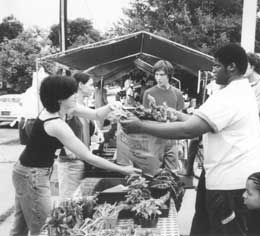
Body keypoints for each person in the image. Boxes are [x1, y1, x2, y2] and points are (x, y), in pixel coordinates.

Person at [121, 44, 260, 235]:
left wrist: (140, 126)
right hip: (223, 177)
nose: (212, 70)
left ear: (231, 67)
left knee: (224, 230)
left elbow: (188, 130)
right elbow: (199, 121)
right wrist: (175, 114)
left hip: (229, 184)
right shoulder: (237, 91)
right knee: (204, 226)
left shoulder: (231, 96)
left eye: (216, 66)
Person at [10, 75, 140, 236]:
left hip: (25, 171)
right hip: (32, 176)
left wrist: (111, 106)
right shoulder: (55, 124)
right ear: (60, 99)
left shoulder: (65, 109)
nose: (75, 96)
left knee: (20, 227)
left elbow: (97, 115)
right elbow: (88, 156)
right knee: (44, 228)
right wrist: (123, 169)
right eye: (71, 94)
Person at [57, 72, 95, 201]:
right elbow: (58, 127)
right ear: (80, 85)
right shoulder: (69, 107)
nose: (93, 88)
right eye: (90, 85)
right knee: (69, 204)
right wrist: (66, 148)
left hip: (80, 161)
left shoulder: (81, 106)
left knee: (76, 202)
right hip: (70, 163)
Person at [142, 60, 184, 170]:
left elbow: (181, 120)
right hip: (154, 138)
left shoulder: (177, 93)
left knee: (172, 172)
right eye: (156, 74)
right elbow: (144, 119)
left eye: (162, 75)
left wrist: (180, 144)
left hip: (172, 138)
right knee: (153, 172)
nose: (158, 78)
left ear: (169, 75)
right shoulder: (148, 93)